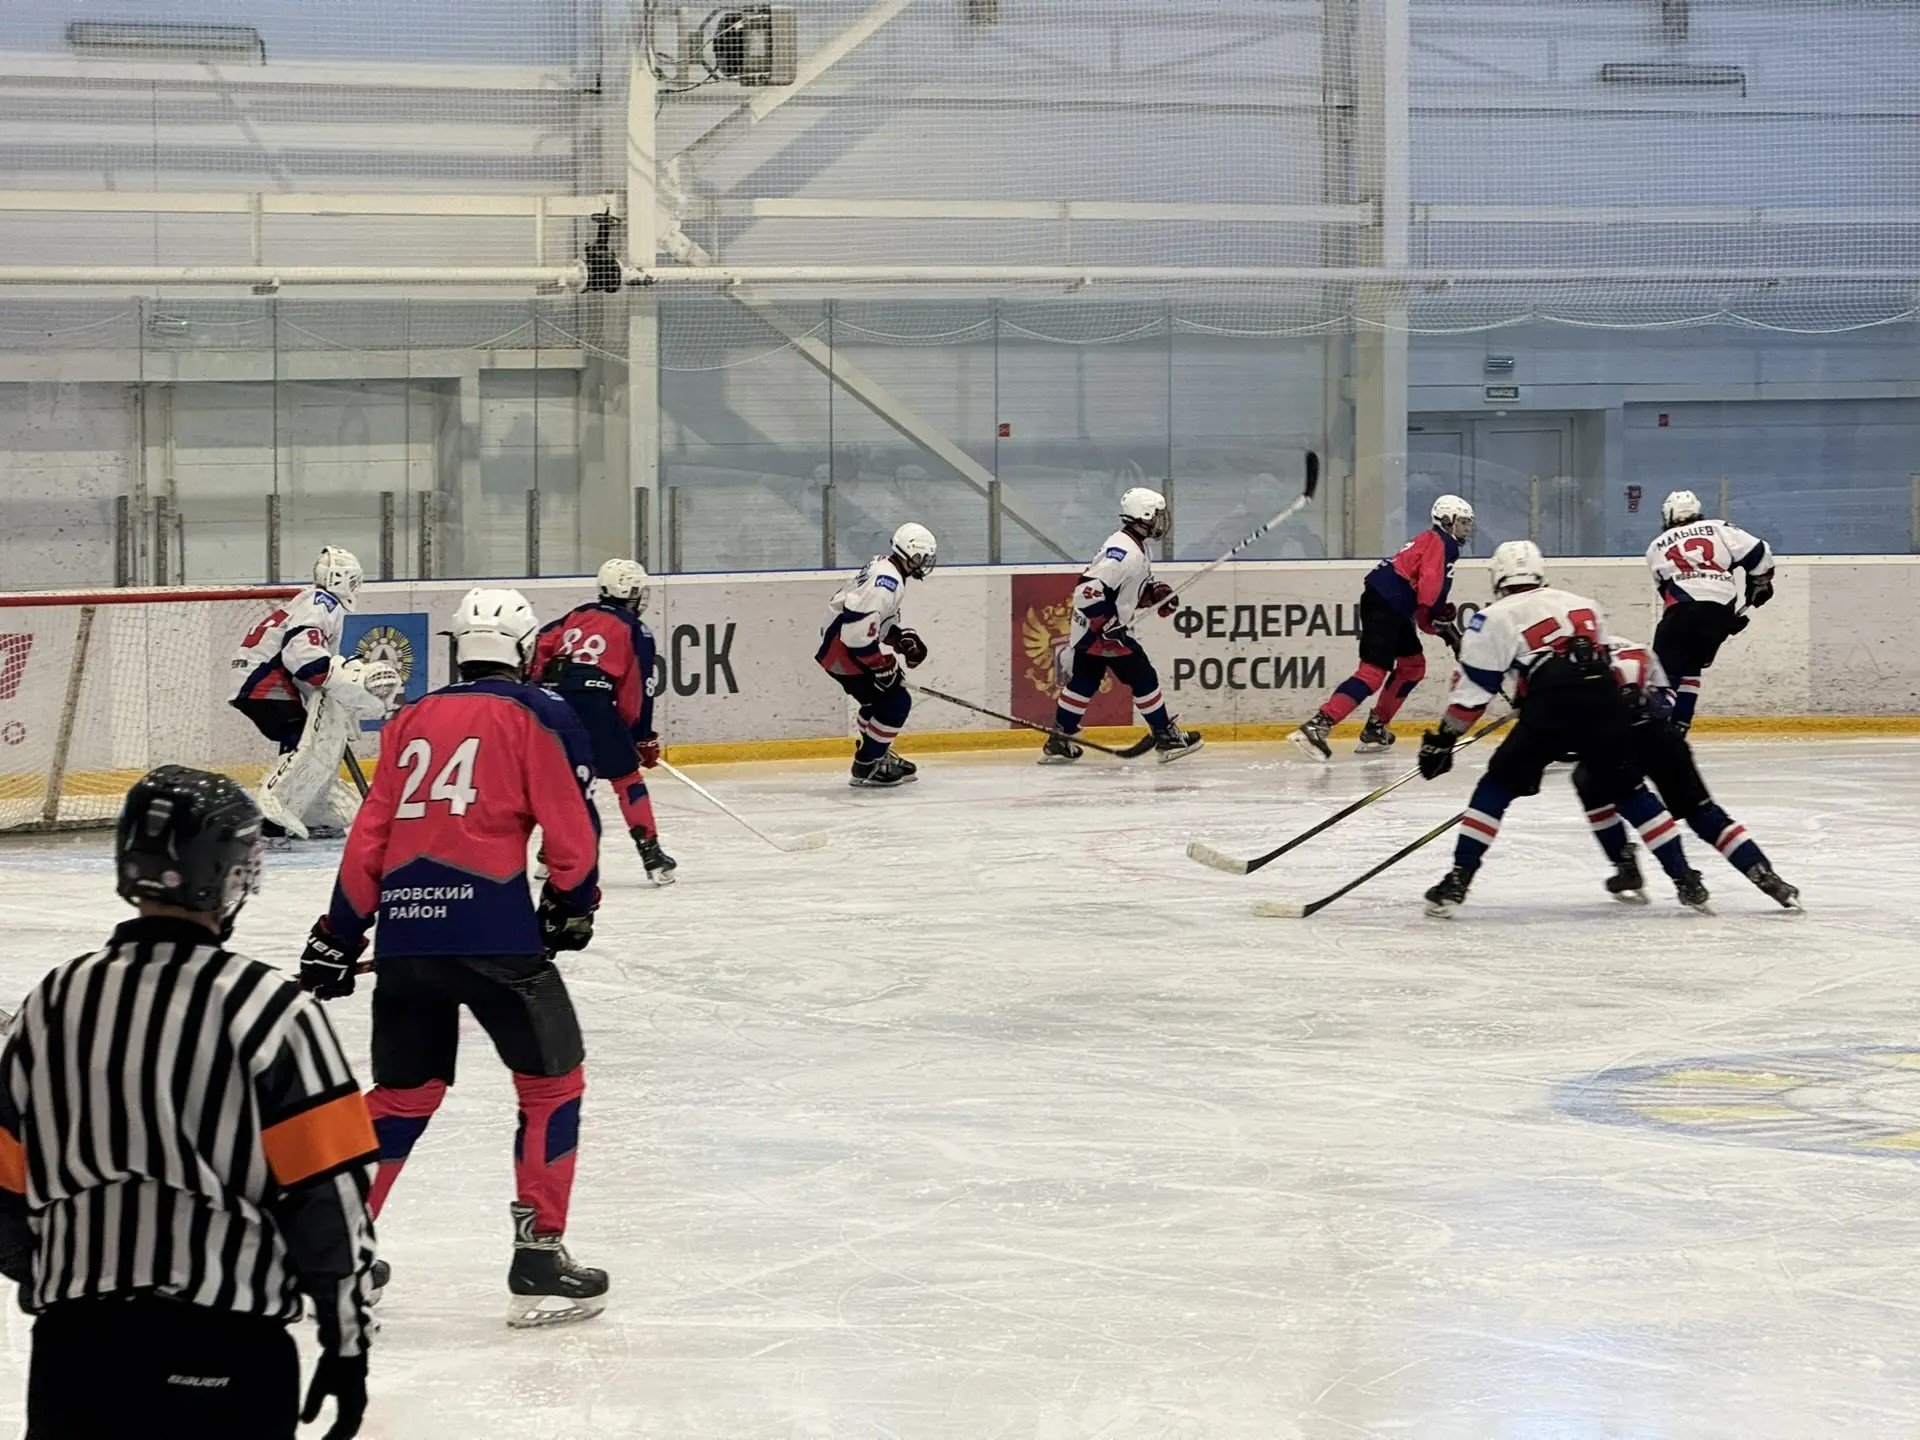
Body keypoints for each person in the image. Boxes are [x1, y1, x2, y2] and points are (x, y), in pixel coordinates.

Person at [0, 766, 377, 1439]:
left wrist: (65, 1289)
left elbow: (3, 1183)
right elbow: (331, 1195)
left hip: (74, 1351)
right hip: (224, 1350)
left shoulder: (52, 1002)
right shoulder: (273, 1011)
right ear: (229, 875)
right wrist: (346, 1339)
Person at [299, 587, 610, 1328]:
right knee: (552, 1086)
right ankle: (538, 1256)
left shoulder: (410, 718)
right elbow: (569, 824)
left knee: (402, 1097)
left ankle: (333, 1252)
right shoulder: (540, 711)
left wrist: (339, 935)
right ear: (524, 650)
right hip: (498, 934)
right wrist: (573, 902)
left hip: (407, 939)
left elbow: (370, 838)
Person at [1415, 540, 1708, 916]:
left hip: (1550, 707)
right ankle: (1686, 879)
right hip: (1604, 703)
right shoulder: (1583, 603)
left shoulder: (1491, 618)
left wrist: (1442, 740)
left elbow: (1472, 697)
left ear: (1498, 578)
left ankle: (1458, 880)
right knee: (1628, 790)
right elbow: (1599, 663)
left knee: (1496, 787)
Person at [1578, 637, 1801, 910]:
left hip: (1617, 746)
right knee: (1702, 812)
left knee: (1609, 792)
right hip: (1663, 738)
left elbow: (1569, 721)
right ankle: (1763, 872)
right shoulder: (1634, 648)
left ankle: (1673, 876)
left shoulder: (1567, 660)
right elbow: (1667, 700)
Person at [230, 545, 400, 838]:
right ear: (338, 578)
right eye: (353, 580)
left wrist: (331, 696)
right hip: (262, 680)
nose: (355, 586)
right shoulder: (323, 602)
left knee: (300, 737)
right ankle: (274, 815)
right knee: (303, 742)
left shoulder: (310, 600)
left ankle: (300, 808)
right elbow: (303, 656)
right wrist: (339, 679)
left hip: (253, 677)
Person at [533, 558, 676, 885]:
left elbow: (541, 641)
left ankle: (548, 857)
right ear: (629, 593)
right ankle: (652, 856)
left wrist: (539, 685)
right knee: (627, 779)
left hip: (553, 704)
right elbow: (637, 690)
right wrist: (640, 736)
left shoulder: (577, 614)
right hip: (594, 704)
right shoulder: (635, 629)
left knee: (568, 780)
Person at [1040, 486, 1201, 765]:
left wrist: (1157, 594)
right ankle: (1165, 736)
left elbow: (1128, 589)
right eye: (1156, 515)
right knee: (1143, 676)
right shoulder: (1125, 552)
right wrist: (1106, 624)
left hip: (1091, 630)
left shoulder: (1134, 546)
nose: (1161, 521)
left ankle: (1060, 739)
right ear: (1143, 515)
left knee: (1085, 680)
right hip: (1101, 633)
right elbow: (1087, 591)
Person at [816, 523, 938, 788]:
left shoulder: (886, 567)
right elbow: (856, 633)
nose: (925, 563)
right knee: (896, 702)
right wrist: (880, 666)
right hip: (844, 650)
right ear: (911, 553)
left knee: (876, 702)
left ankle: (876, 753)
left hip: (839, 646)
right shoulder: (887, 582)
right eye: (922, 557)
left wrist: (898, 638)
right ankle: (868, 764)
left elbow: (872, 620)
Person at [1645, 489, 1775, 731]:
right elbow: (1759, 552)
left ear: (1667, 515)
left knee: (1664, 673)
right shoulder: (1719, 528)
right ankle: (1680, 725)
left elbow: (1665, 590)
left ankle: (1656, 732)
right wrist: (1760, 582)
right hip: (1721, 611)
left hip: (1682, 610)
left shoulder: (1655, 547)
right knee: (1692, 667)